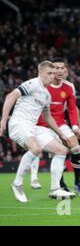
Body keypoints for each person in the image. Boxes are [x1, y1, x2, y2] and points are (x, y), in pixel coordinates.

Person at [0, 61, 75, 202]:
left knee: (62, 150)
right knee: (36, 148)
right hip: (19, 123)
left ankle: (55, 189)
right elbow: (11, 96)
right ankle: (17, 184)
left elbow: (48, 117)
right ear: (40, 73)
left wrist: (61, 134)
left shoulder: (46, 94)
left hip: (33, 127)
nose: (52, 76)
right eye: (49, 73)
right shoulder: (33, 84)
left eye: (53, 74)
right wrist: (3, 120)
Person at [31, 58, 80, 196]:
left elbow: (73, 109)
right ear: (50, 70)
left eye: (62, 68)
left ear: (66, 71)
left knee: (76, 148)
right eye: (56, 68)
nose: (59, 71)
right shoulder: (41, 85)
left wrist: (77, 126)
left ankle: (77, 182)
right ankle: (60, 185)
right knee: (58, 153)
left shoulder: (69, 87)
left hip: (61, 124)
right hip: (44, 126)